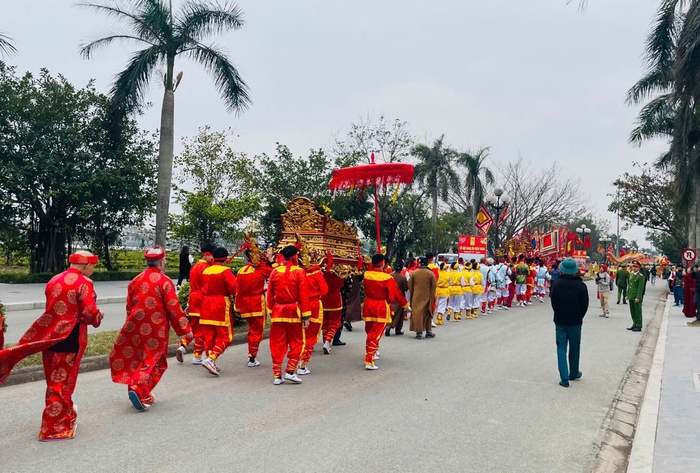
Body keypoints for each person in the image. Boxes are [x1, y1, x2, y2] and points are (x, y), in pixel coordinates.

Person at [0, 251, 103, 441]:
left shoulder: (54, 279)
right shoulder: (84, 283)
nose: (93, 271)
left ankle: (67, 415)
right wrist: (98, 318)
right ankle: (53, 429)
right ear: (87, 266)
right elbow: (89, 313)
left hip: (48, 335)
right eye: (93, 267)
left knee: (54, 381)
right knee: (62, 384)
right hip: (70, 337)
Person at [110, 246, 191, 411]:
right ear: (161, 262)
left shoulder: (135, 280)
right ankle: (139, 390)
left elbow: (129, 306)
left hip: (135, 325)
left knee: (139, 358)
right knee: (157, 362)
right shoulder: (165, 282)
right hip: (156, 328)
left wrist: (130, 324)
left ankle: (142, 393)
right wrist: (185, 330)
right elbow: (173, 308)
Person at [266, 245, 311, 385]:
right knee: (297, 342)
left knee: (277, 343)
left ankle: (277, 375)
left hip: (278, 311)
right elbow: (304, 295)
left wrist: (271, 311)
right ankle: (290, 371)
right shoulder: (299, 272)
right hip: (293, 311)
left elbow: (270, 294)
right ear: (294, 256)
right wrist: (306, 316)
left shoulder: (274, 272)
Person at [362, 254, 409, 369]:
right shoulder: (387, 278)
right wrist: (405, 304)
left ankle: (373, 351)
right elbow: (395, 294)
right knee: (376, 333)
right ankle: (369, 359)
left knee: (370, 330)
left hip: (368, 304)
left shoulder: (367, 275)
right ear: (383, 263)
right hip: (380, 306)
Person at [199, 246, 239, 375]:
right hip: (220, 304)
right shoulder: (225, 271)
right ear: (225, 258)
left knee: (209, 336)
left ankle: (211, 361)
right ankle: (211, 359)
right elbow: (234, 287)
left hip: (205, 304)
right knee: (225, 336)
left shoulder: (206, 271)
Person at [550, 257, 588, 388]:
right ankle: (574, 372)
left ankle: (564, 378)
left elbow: (553, 302)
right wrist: (579, 316)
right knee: (575, 347)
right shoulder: (581, 285)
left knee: (561, 348)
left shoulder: (557, 284)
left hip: (560, 320)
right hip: (575, 321)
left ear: (562, 269)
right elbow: (585, 305)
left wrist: (559, 312)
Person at [234, 245, 274, 368]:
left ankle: (252, 355)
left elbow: (238, 291)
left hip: (245, 305)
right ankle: (252, 357)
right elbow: (275, 272)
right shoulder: (260, 270)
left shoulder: (242, 271)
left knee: (252, 330)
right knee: (257, 331)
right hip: (257, 304)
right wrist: (271, 260)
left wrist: (237, 308)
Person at [176, 243, 215, 364]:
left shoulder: (195, 266)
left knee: (193, 326)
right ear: (208, 255)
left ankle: (183, 345)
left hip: (192, 298)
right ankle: (197, 356)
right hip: (202, 299)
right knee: (202, 330)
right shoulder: (206, 268)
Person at [297, 251, 328, 375]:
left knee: (299, 337)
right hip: (314, 306)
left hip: (299, 307)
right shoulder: (316, 273)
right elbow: (324, 290)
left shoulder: (297, 273)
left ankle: (293, 363)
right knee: (310, 337)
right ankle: (302, 365)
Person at [408, 257, 437, 339]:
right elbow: (434, 285)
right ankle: (428, 331)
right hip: (427, 296)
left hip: (416, 296)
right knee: (428, 313)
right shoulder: (430, 273)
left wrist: (413, 293)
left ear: (419, 264)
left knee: (417, 313)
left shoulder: (414, 273)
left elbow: (410, 285)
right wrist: (431, 294)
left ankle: (419, 332)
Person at [387, 261, 409, 336]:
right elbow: (406, 288)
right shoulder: (402, 277)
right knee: (399, 314)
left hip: (390, 296)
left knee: (390, 312)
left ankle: (388, 326)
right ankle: (397, 329)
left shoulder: (389, 276)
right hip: (399, 298)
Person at [627, 260, 645, 332]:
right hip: (631, 295)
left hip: (636, 296)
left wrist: (638, 297)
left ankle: (639, 325)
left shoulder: (640, 276)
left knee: (638, 311)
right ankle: (634, 323)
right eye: (633, 266)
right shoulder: (632, 275)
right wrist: (627, 294)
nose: (634, 268)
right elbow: (630, 286)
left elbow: (640, 288)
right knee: (632, 311)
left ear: (639, 268)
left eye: (635, 267)